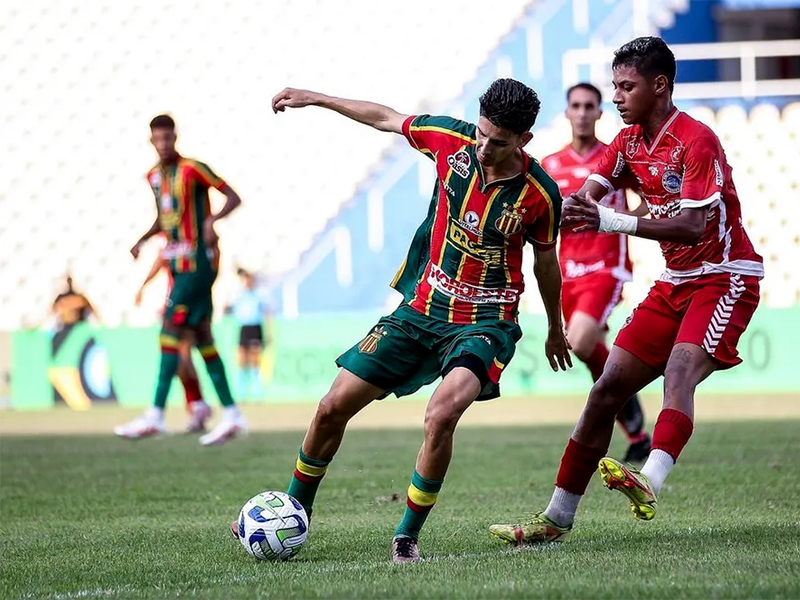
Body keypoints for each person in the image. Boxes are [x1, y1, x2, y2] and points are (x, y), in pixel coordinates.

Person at [230, 78, 571, 563]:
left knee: (441, 414)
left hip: (485, 322)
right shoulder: (449, 141)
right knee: (331, 407)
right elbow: (386, 118)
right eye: (481, 133)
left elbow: (546, 263)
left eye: (497, 141)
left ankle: (406, 536)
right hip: (421, 310)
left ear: (523, 140)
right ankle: (294, 511)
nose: (484, 147)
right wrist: (319, 98)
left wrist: (556, 327)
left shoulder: (541, 194)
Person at [489, 36, 764, 544]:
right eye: (614, 86)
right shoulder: (628, 142)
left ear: (659, 86)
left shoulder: (696, 140)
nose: (616, 96)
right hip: (675, 281)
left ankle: (650, 479)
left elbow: (691, 227)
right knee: (604, 391)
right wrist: (539, 213)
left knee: (680, 370)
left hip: (725, 275)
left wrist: (610, 220)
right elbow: (586, 196)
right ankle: (556, 518)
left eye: (625, 87)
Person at [114, 114, 248, 446]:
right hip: (176, 265)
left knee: (169, 331)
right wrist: (143, 239)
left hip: (197, 265)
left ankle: (156, 415)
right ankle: (232, 414)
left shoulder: (193, 169)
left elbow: (233, 196)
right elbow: (164, 218)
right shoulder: (154, 177)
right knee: (202, 337)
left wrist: (212, 220)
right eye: (158, 139)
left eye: (168, 137)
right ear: (151, 141)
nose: (163, 144)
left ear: (175, 137)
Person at [542, 82, 651, 465]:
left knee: (580, 341)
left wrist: (618, 220)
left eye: (590, 106)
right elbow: (541, 219)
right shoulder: (550, 166)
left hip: (606, 268)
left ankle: (621, 406)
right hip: (566, 274)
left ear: (600, 113)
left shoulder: (615, 159)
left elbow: (651, 202)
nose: (583, 112)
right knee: (589, 352)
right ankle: (636, 431)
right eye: (576, 105)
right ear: (567, 112)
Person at [134, 246, 212, 433]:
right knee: (182, 360)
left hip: (189, 306)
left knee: (182, 357)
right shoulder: (175, 245)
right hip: (179, 304)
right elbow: (161, 260)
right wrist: (143, 286)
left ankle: (195, 405)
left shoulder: (191, 244)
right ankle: (198, 405)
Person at [227, 268, 270, 401]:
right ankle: (242, 391)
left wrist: (268, 333)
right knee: (241, 358)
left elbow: (267, 312)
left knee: (255, 359)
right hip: (244, 328)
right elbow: (229, 308)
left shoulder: (259, 295)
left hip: (255, 327)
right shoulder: (239, 295)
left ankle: (257, 391)